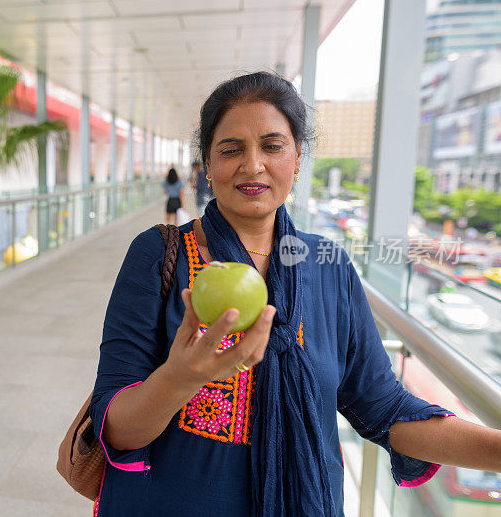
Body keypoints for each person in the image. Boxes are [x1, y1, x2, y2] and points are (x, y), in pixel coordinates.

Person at [89, 72, 501, 516]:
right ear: (207, 164)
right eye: (231, 150)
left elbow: (383, 408)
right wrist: (181, 377)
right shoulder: (159, 255)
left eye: (272, 145)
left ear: (297, 157)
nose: (252, 166)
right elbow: (117, 428)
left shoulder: (329, 266)